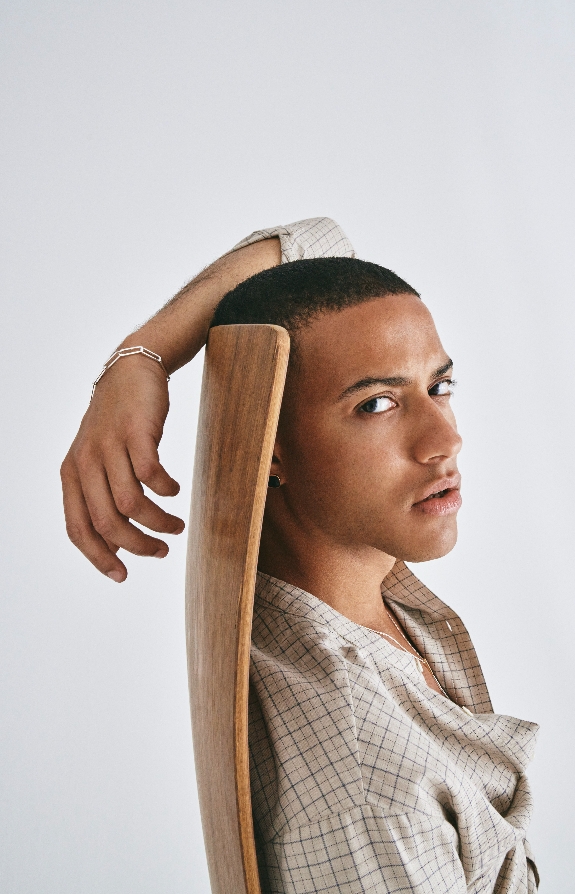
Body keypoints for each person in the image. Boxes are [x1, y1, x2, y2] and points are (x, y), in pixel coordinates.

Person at [61, 218, 539, 893]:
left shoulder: (353, 597)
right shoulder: (372, 795)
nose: (444, 440)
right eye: (377, 403)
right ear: (272, 448)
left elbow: (318, 243)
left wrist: (140, 358)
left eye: (439, 387)